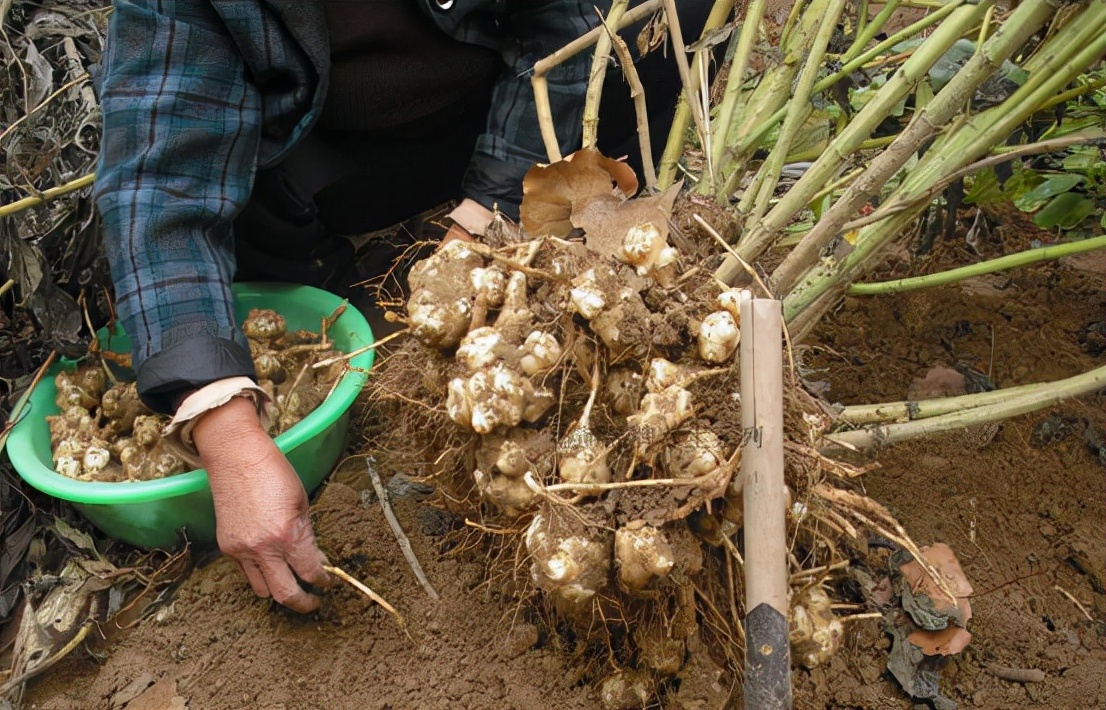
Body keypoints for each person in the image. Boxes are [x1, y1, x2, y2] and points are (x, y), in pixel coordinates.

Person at [94, 0, 713, 613]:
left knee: (662, 17)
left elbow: (575, 22)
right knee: (232, 234)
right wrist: (223, 429)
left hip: (491, 94)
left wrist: (477, 227)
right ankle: (331, 271)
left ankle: (597, 210)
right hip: (317, 144)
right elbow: (157, 180)